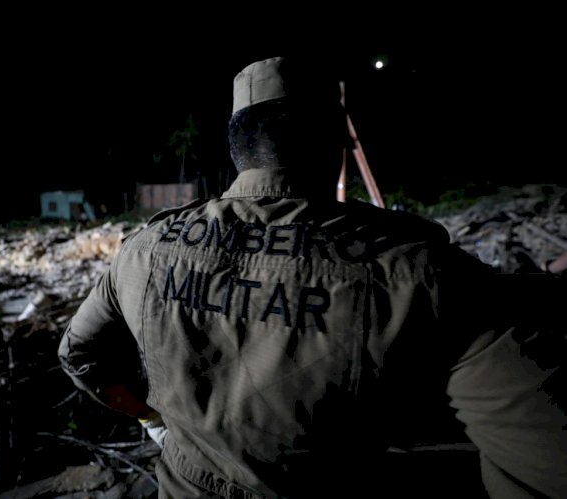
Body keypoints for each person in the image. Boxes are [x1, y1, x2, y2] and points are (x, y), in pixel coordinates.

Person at [59, 56, 567, 498]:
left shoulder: (144, 250)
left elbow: (79, 355)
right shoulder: (419, 273)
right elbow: (543, 463)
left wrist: (154, 422)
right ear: (336, 147)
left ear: (237, 146)